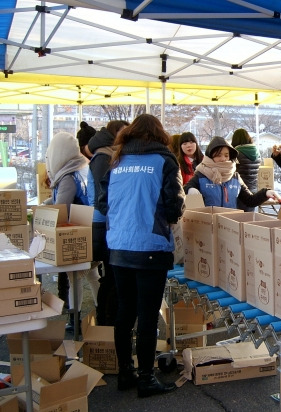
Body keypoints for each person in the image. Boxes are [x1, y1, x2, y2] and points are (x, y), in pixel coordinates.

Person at [97, 113, 185, 397]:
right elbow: (175, 205)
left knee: (125, 311)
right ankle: (146, 378)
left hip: (119, 245)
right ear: (160, 134)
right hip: (150, 245)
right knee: (147, 315)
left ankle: (126, 372)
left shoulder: (117, 161)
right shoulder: (164, 161)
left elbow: (103, 202)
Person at [44, 132, 100, 333]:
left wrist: (45, 211)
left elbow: (63, 207)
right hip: (91, 229)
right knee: (92, 275)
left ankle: (75, 318)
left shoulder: (67, 175)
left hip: (75, 234)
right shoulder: (82, 167)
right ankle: (101, 310)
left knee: (74, 277)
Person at [86, 120, 129, 326]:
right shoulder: (104, 156)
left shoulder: (107, 153)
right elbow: (103, 195)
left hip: (105, 222)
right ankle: (105, 320)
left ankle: (106, 318)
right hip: (103, 224)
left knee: (110, 276)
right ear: (114, 134)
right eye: (123, 131)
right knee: (110, 276)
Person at [184, 136, 281, 207]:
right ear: (210, 157)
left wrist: (265, 193)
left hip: (229, 227)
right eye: (218, 155)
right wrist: (190, 190)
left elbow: (249, 200)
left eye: (226, 155)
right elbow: (185, 190)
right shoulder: (201, 174)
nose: (223, 159)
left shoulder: (235, 176)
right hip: (207, 226)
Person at [231, 128, 261, 211]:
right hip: (253, 189)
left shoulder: (236, 153)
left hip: (240, 190)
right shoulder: (257, 153)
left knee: (239, 218)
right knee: (249, 217)